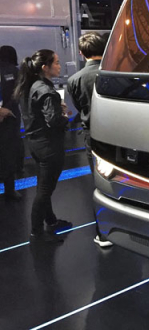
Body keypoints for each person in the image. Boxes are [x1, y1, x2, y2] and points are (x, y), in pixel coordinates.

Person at [13, 49, 71, 243]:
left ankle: (51, 220)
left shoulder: (29, 85)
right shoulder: (46, 90)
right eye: (56, 63)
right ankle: (36, 233)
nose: (59, 66)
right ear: (45, 67)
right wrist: (64, 116)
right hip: (49, 146)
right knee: (45, 190)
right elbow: (54, 121)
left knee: (42, 186)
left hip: (35, 143)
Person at [67, 33, 113, 248]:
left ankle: (103, 234)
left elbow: (78, 108)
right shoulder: (112, 75)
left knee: (98, 183)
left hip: (92, 135)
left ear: (81, 53)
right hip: (117, 135)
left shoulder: (74, 80)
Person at [0, 46, 22, 200]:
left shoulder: (13, 71)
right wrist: (5, 109)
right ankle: (10, 189)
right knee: (9, 152)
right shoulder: (15, 71)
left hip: (8, 115)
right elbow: (17, 94)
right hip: (10, 116)